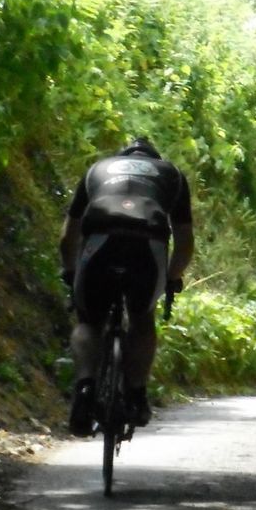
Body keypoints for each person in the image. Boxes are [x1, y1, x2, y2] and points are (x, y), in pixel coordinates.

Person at [59, 137, 194, 436]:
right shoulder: (172, 174)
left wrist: (70, 271)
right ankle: (136, 395)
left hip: (100, 243)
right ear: (154, 159)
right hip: (147, 246)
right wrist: (171, 278)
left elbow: (69, 236)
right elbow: (184, 241)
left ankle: (84, 388)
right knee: (142, 319)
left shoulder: (97, 169)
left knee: (89, 321)